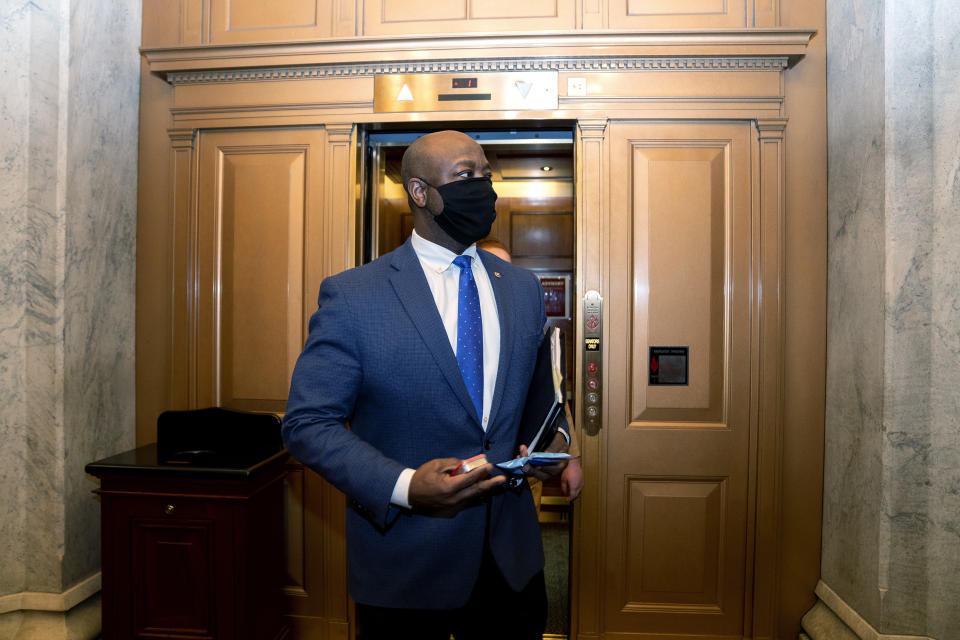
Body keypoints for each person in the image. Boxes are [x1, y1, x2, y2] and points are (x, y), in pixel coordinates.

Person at [282, 130, 569, 639]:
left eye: (486, 175)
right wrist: (406, 487)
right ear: (419, 193)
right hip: (406, 565)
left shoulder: (523, 290)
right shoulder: (354, 296)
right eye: (465, 176)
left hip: (511, 561)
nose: (483, 188)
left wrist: (557, 445)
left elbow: (539, 398)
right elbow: (308, 424)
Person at [475, 237, 585, 505]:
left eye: (507, 270)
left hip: (522, 478)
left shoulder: (528, 327)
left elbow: (551, 394)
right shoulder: (460, 330)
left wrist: (572, 460)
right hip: (471, 477)